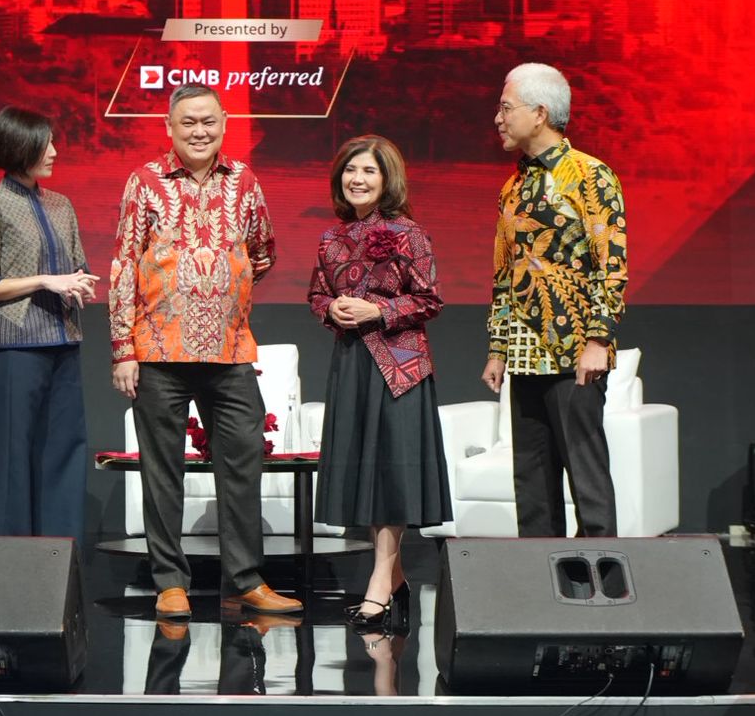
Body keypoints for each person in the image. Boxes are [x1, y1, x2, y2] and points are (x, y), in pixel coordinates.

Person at [110, 84, 302, 620]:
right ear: (169, 127)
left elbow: (262, 250)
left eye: (208, 122)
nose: (200, 132)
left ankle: (246, 580)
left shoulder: (244, 180)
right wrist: (123, 348)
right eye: (188, 122)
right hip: (158, 349)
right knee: (162, 472)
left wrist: (224, 287)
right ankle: (170, 583)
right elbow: (124, 264)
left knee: (243, 462)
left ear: (224, 124)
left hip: (229, 349)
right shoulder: (145, 181)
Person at [308, 135, 450, 631]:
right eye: (351, 170)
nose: (358, 179)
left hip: (399, 367)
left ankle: (378, 582)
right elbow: (316, 295)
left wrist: (378, 310)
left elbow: (429, 299)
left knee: (391, 476)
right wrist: (333, 308)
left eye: (368, 170)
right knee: (368, 476)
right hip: (352, 364)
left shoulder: (409, 233)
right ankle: (395, 578)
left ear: (388, 178)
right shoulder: (331, 237)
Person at [481, 63, 628, 537]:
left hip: (575, 351)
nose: (499, 118)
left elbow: (611, 264)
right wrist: (498, 348)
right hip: (525, 354)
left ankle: (603, 574)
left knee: (587, 478)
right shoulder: (512, 188)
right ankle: (541, 577)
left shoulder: (590, 175)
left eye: (506, 108)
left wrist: (598, 340)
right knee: (532, 485)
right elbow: (504, 274)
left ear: (540, 113)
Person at [0, 106, 98, 539]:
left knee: (64, 454)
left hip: (63, 341)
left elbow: (76, 266)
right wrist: (43, 280)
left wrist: (78, 284)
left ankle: (61, 559)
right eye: (45, 144)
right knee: (12, 458)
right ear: (21, 147)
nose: (54, 152)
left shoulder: (61, 205)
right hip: (16, 347)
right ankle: (8, 563)